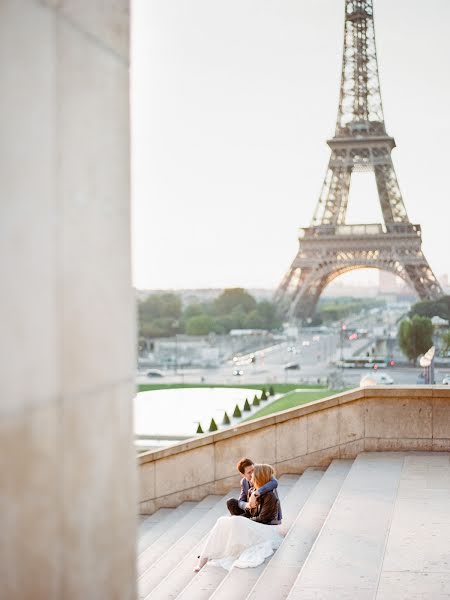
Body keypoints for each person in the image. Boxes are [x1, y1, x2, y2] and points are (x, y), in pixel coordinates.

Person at [194, 464, 283, 572]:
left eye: (253, 475)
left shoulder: (270, 496)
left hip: (266, 528)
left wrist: (242, 521)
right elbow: (248, 510)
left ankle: (216, 550)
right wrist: (244, 512)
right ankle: (204, 558)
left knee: (236, 521)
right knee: (222, 521)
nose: (251, 477)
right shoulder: (251, 490)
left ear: (259, 477)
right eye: (249, 474)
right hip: (255, 522)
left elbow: (263, 519)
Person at [227, 457, 282, 524]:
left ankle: (242, 523)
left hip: (267, 513)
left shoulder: (263, 475)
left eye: (253, 470)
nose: (252, 473)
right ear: (243, 474)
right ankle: (239, 524)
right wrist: (248, 505)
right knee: (231, 502)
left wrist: (255, 494)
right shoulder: (244, 482)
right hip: (254, 510)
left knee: (238, 521)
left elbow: (275, 483)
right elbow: (241, 501)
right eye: (249, 472)